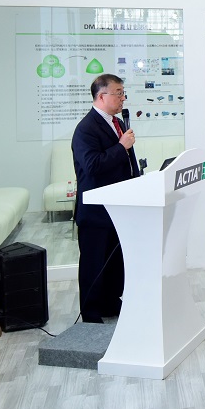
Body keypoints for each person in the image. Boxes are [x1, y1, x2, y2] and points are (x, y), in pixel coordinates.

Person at [71, 73, 141, 322]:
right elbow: (93, 166)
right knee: (93, 264)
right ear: (101, 96)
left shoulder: (117, 122)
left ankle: (111, 303)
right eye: (118, 93)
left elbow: (125, 161)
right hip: (96, 211)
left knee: (114, 262)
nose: (123, 98)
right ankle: (91, 314)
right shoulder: (86, 129)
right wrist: (121, 146)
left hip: (117, 207)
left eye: (123, 93)